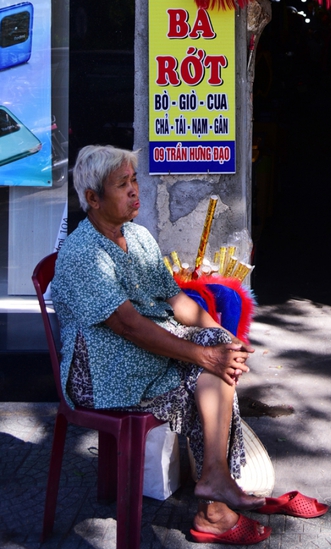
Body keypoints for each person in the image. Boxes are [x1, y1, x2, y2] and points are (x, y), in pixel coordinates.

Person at [51, 145, 271, 546]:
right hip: (100, 372)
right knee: (208, 365)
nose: (135, 191)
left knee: (218, 357)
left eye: (134, 180)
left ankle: (215, 487)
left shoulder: (136, 236)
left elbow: (176, 301)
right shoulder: (83, 253)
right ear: (93, 199)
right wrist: (206, 353)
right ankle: (215, 500)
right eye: (123, 184)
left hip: (134, 356)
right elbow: (131, 327)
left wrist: (224, 338)